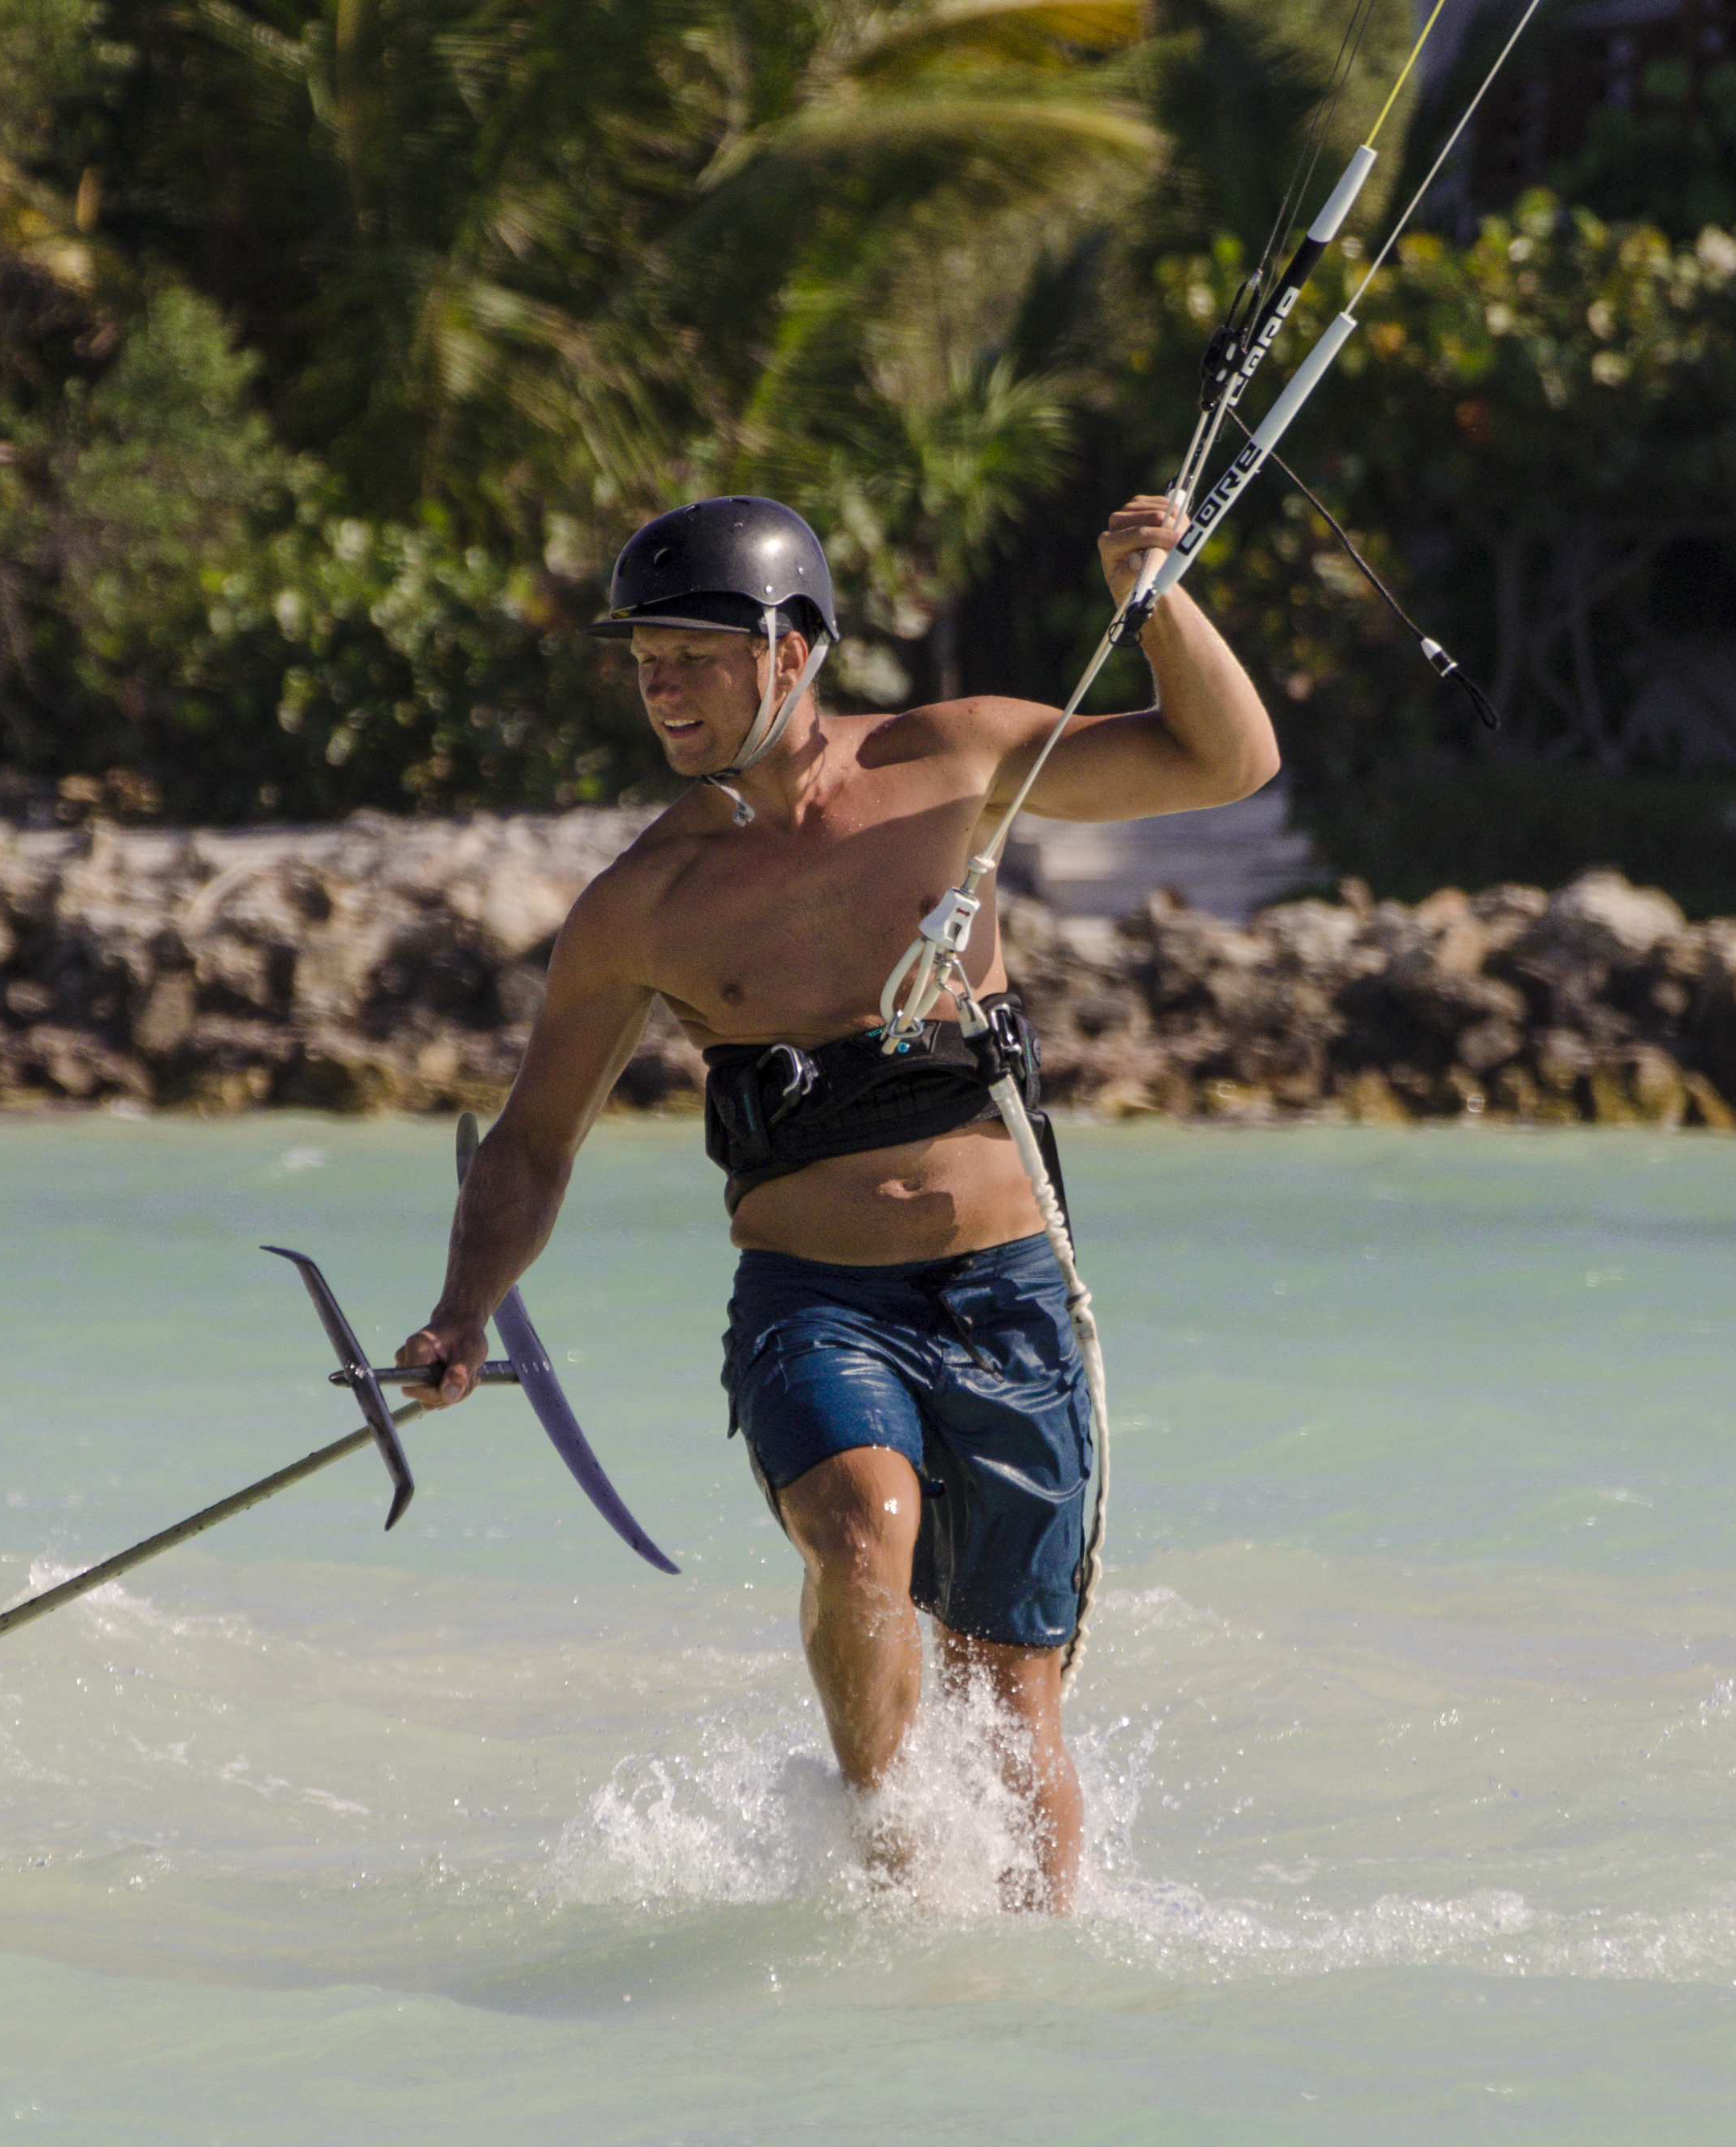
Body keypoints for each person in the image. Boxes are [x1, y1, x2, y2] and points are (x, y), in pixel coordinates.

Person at [394, 494, 1277, 1911]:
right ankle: (882, 1850)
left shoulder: (955, 759)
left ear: (791, 650)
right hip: (817, 1304)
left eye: (690, 652)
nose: (659, 686)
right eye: (643, 660)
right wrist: (459, 1312)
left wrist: (1152, 596)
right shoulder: (646, 902)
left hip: (1011, 1293)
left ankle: (1026, 2006)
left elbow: (1221, 760)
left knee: (1013, 1710)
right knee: (862, 1534)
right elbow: (531, 1142)